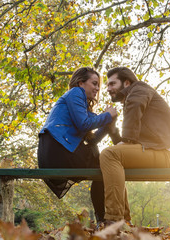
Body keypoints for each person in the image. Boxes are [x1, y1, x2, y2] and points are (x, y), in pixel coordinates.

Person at [99, 67, 170, 223]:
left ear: (127, 82)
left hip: (167, 153)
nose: (108, 89)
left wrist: (127, 138)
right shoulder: (133, 96)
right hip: (158, 151)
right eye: (107, 85)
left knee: (109, 154)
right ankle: (124, 221)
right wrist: (113, 128)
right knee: (112, 158)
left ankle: (114, 220)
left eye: (112, 84)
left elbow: (135, 107)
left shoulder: (139, 89)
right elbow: (124, 147)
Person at [38, 67, 117, 224]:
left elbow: (92, 140)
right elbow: (84, 124)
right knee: (105, 164)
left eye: (98, 86)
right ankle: (103, 219)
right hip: (57, 149)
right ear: (81, 83)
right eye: (94, 83)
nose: (97, 88)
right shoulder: (76, 93)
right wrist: (107, 116)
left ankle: (102, 219)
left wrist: (108, 123)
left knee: (102, 165)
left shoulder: (81, 106)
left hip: (57, 150)